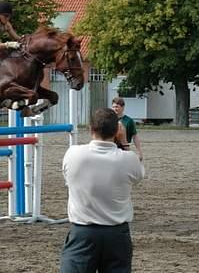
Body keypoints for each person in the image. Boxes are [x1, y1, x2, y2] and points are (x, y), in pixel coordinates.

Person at [60, 108, 145, 273]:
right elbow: (138, 176)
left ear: (91, 129)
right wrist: (125, 143)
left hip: (83, 232)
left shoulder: (73, 153)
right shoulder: (128, 159)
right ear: (117, 131)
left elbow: (67, 178)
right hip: (117, 233)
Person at [112, 97, 143, 161]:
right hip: (112, 148)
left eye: (117, 107)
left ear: (123, 107)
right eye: (113, 107)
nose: (115, 109)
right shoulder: (109, 120)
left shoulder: (129, 121)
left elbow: (135, 136)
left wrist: (139, 151)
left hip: (124, 149)